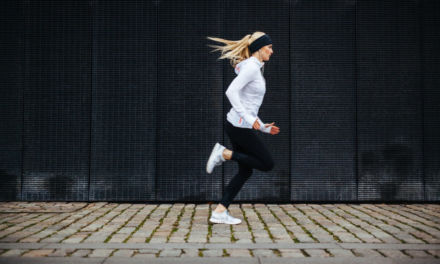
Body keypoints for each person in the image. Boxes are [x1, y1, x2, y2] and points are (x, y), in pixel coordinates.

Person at [205, 32, 280, 225]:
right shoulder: (252, 68)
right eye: (269, 47)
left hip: (238, 125)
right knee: (267, 163)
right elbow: (231, 92)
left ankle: (220, 212)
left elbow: (249, 103)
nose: (272, 51)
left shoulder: (254, 67)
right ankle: (224, 154)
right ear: (260, 48)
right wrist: (247, 118)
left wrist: (262, 127)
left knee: (245, 171)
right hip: (239, 126)